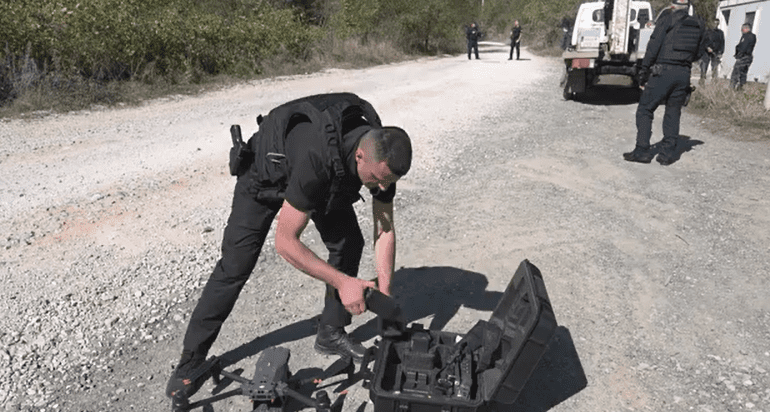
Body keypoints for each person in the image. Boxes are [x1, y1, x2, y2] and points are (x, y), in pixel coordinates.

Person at [165, 93, 413, 404]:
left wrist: (386, 297)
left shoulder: (382, 163)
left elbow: (385, 228)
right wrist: (343, 282)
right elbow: (285, 242)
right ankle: (191, 360)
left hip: (323, 182)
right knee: (235, 266)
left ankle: (330, 331)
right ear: (361, 156)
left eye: (387, 183)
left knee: (349, 242)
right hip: (265, 180)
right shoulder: (318, 157)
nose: (380, 189)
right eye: (376, 181)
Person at [623, 0, 706, 166]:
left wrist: (643, 71)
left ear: (673, 6)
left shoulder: (667, 20)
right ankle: (667, 155)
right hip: (684, 74)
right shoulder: (698, 25)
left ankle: (642, 151)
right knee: (673, 112)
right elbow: (699, 52)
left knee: (645, 109)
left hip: (663, 71)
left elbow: (653, 46)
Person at [730, 23, 756, 90]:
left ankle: (732, 88)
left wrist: (738, 55)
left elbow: (743, 47)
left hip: (743, 58)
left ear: (747, 28)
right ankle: (741, 88)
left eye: (742, 28)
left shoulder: (747, 36)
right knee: (743, 74)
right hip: (748, 58)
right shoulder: (752, 36)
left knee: (735, 73)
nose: (741, 30)